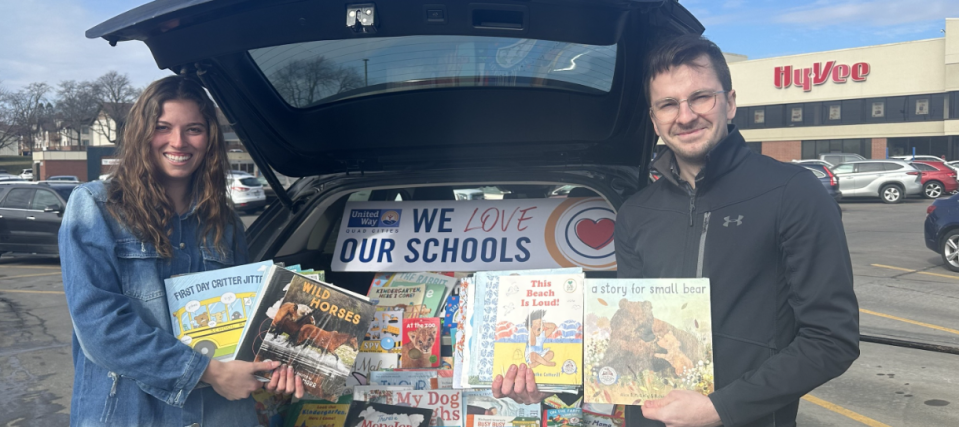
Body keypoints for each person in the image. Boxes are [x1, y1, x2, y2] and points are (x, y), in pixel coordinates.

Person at [494, 34, 859, 427]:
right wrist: (555, 379)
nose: (685, 116)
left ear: (730, 102)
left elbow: (831, 339)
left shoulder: (793, 192)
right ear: (654, 120)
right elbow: (626, 338)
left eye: (700, 97)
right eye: (668, 104)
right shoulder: (636, 213)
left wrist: (722, 408)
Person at [60, 75, 303, 427]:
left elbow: (247, 322)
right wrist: (209, 372)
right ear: (142, 133)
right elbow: (101, 329)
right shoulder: (96, 207)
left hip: (221, 414)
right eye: (163, 127)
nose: (178, 141)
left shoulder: (225, 221)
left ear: (209, 139)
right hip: (132, 413)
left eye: (193, 129)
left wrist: (279, 362)